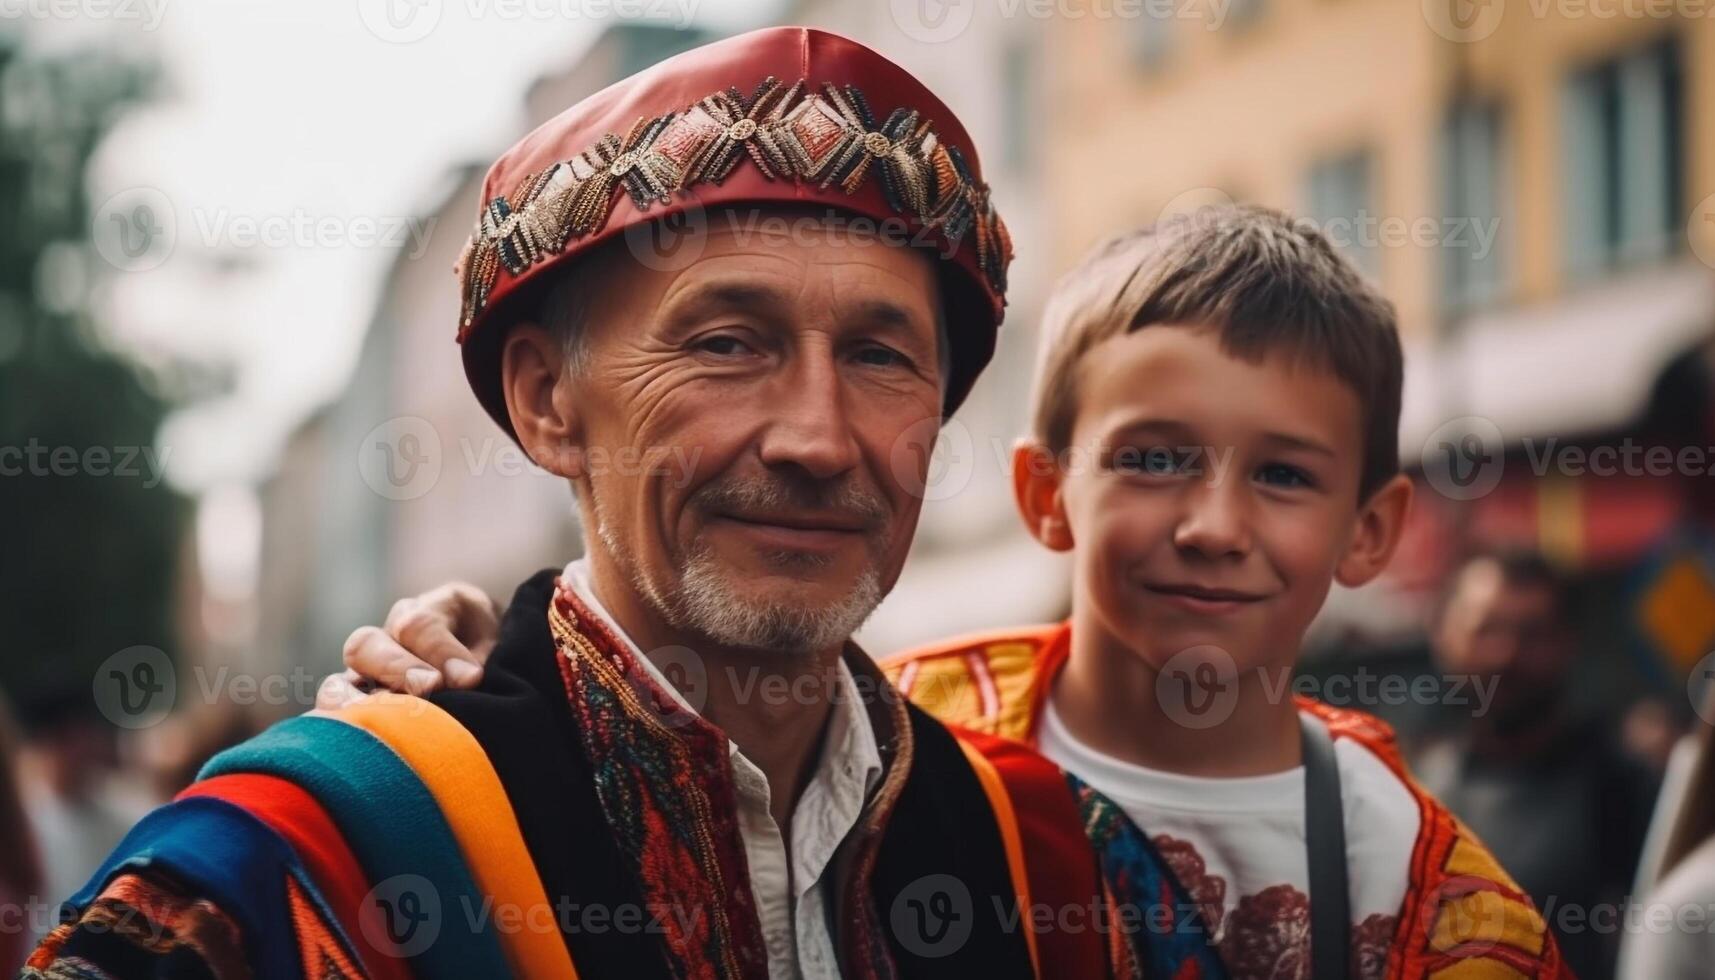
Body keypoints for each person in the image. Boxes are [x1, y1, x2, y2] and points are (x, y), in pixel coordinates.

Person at [27, 28, 1224, 980]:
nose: (816, 436)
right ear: (548, 402)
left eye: (879, 355)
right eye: (724, 342)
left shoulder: (1066, 867)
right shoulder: (300, 861)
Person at [343, 209, 1570, 978]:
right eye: (1151, 457)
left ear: (1370, 530)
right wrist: (489, 694)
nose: (1211, 524)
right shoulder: (896, 736)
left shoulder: (1430, 896)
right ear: (1045, 495)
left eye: (1284, 475)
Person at [1415, 549, 1656, 978]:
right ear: (1443, 635)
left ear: (1567, 642)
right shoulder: (1416, 789)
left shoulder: (1624, 789)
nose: (1506, 654)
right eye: (1485, 630)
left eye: (1531, 633)